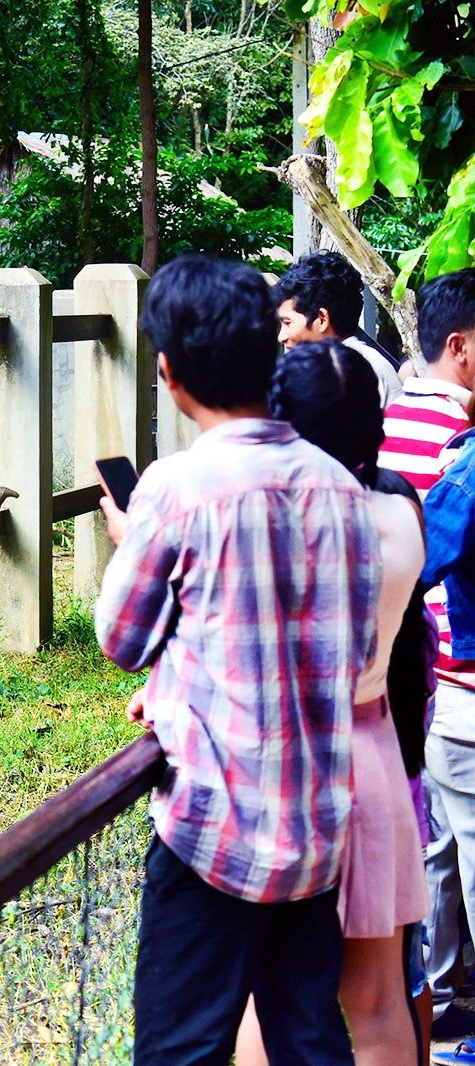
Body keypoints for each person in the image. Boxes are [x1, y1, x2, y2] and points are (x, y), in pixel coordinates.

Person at [95, 255, 381, 1065]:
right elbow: (353, 656)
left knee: (183, 1050)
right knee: (312, 1044)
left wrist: (133, 551)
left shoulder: (178, 490)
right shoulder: (341, 487)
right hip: (318, 835)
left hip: (210, 836)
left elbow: (123, 641)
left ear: (169, 370)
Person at [234, 340, 432, 1066]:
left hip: (283, 767)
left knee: (267, 993)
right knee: (379, 1001)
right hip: (374, 758)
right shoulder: (400, 513)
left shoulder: (269, 524)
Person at [376, 268, 475, 1046]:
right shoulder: (461, 439)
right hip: (452, 660)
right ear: (461, 346)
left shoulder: (391, 413)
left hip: (418, 666)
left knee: (436, 848)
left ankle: (440, 997)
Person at [275, 250, 403, 407]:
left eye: (288, 323)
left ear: (322, 319)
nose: (281, 337)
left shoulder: (354, 371)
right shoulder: (366, 364)